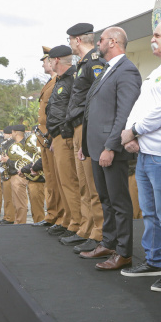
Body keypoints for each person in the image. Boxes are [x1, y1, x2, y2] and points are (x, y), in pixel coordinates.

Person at [119, 20, 161, 292]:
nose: (152, 40)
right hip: (145, 154)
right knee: (149, 213)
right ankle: (154, 260)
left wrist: (135, 130)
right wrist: (130, 133)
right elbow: (139, 105)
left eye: (158, 35)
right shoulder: (156, 71)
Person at [78, 28, 142, 271]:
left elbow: (124, 114)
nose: (98, 44)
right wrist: (86, 145)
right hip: (97, 147)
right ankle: (109, 242)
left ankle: (123, 252)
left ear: (113, 42)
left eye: (101, 40)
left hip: (110, 149)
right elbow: (93, 110)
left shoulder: (127, 70)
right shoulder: (108, 69)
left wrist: (110, 147)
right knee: (105, 199)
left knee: (119, 201)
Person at [65, 22, 106, 249]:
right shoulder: (83, 64)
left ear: (78, 40)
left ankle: (99, 233)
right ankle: (87, 228)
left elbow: (98, 97)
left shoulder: (94, 62)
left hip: (87, 126)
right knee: (83, 184)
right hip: (77, 126)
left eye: (70, 40)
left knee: (92, 184)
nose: (70, 44)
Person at [45, 45, 82, 240]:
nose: (49, 63)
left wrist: (63, 132)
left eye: (50, 60)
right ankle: (69, 220)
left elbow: (73, 109)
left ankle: (77, 224)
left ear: (56, 60)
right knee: (62, 183)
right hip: (58, 137)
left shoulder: (73, 79)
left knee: (70, 182)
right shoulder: (61, 80)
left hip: (66, 136)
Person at [36, 47, 66, 230]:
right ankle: (52, 214)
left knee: (58, 178)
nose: (43, 65)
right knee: (50, 178)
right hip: (44, 137)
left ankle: (61, 217)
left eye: (44, 61)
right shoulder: (51, 82)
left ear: (53, 60)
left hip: (52, 135)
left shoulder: (59, 81)